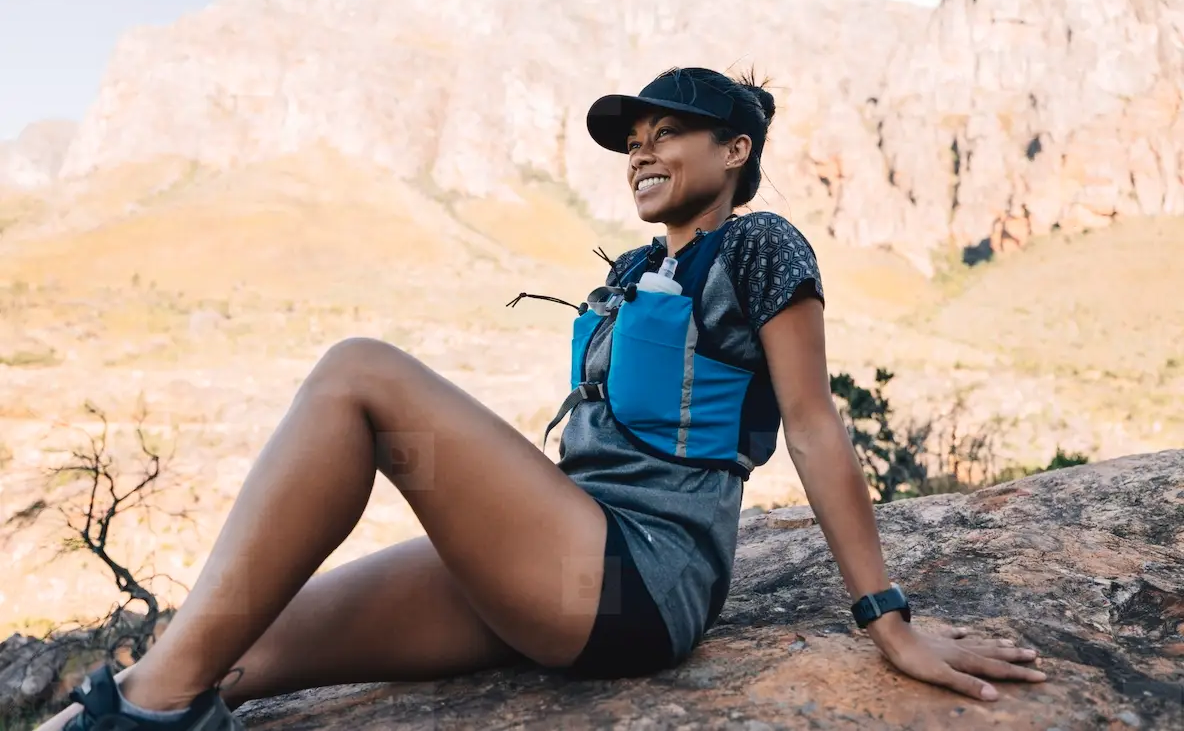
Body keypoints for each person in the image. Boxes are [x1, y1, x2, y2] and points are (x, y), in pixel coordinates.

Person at [43, 66, 1046, 731]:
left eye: (671, 135)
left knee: (359, 374)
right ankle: (138, 708)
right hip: (552, 566)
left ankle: (142, 716)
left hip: (636, 583)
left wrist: (888, 620)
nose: (642, 152)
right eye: (632, 141)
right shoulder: (632, 266)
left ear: (735, 151)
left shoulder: (761, 246)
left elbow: (813, 426)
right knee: (233, 650)